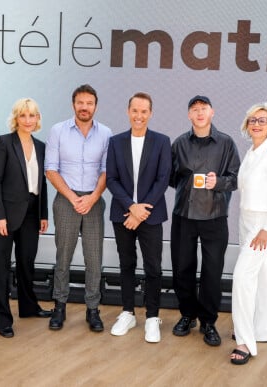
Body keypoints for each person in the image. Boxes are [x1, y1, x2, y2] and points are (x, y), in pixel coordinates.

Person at [170, 95, 240, 347]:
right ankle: (187, 315)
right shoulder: (179, 144)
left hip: (215, 216)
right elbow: (170, 178)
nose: (199, 113)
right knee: (182, 267)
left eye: (203, 109)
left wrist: (217, 182)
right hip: (184, 216)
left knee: (212, 271)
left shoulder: (226, 143)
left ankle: (208, 322)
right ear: (189, 115)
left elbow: (236, 178)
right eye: (194, 109)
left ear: (212, 112)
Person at [45, 84, 112, 332]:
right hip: (66, 200)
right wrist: (73, 198)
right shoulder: (58, 131)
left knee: (93, 259)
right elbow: (51, 169)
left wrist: (93, 197)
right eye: (80, 103)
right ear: (74, 104)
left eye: (89, 103)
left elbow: (107, 170)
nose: (85, 107)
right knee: (63, 257)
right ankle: (59, 306)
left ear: (95, 106)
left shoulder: (105, 133)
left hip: (94, 202)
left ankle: (92, 310)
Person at [106, 92, 171, 343]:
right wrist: (131, 207)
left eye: (144, 111)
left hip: (151, 215)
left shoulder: (162, 141)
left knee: (153, 266)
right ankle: (128, 313)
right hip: (122, 213)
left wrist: (142, 211)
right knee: (126, 265)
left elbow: (163, 179)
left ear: (150, 114)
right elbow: (111, 178)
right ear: (128, 111)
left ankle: (153, 317)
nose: (139, 115)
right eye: (135, 110)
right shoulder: (115, 142)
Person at [230, 102, 267, 365]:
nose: (256, 124)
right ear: (247, 124)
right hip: (246, 220)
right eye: (252, 120)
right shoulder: (251, 152)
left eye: (262, 120)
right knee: (259, 277)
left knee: (242, 277)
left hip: (262, 224)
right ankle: (259, 329)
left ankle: (244, 341)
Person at [0, 98, 51, 339]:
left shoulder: (41, 146)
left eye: (32, 116)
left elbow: (41, 182)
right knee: (1, 268)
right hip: (5, 214)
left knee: (27, 263)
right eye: (23, 116)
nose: (28, 120)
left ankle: (28, 307)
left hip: (31, 213)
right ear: (16, 118)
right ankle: (2, 319)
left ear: (37, 119)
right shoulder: (3, 142)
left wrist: (43, 213)